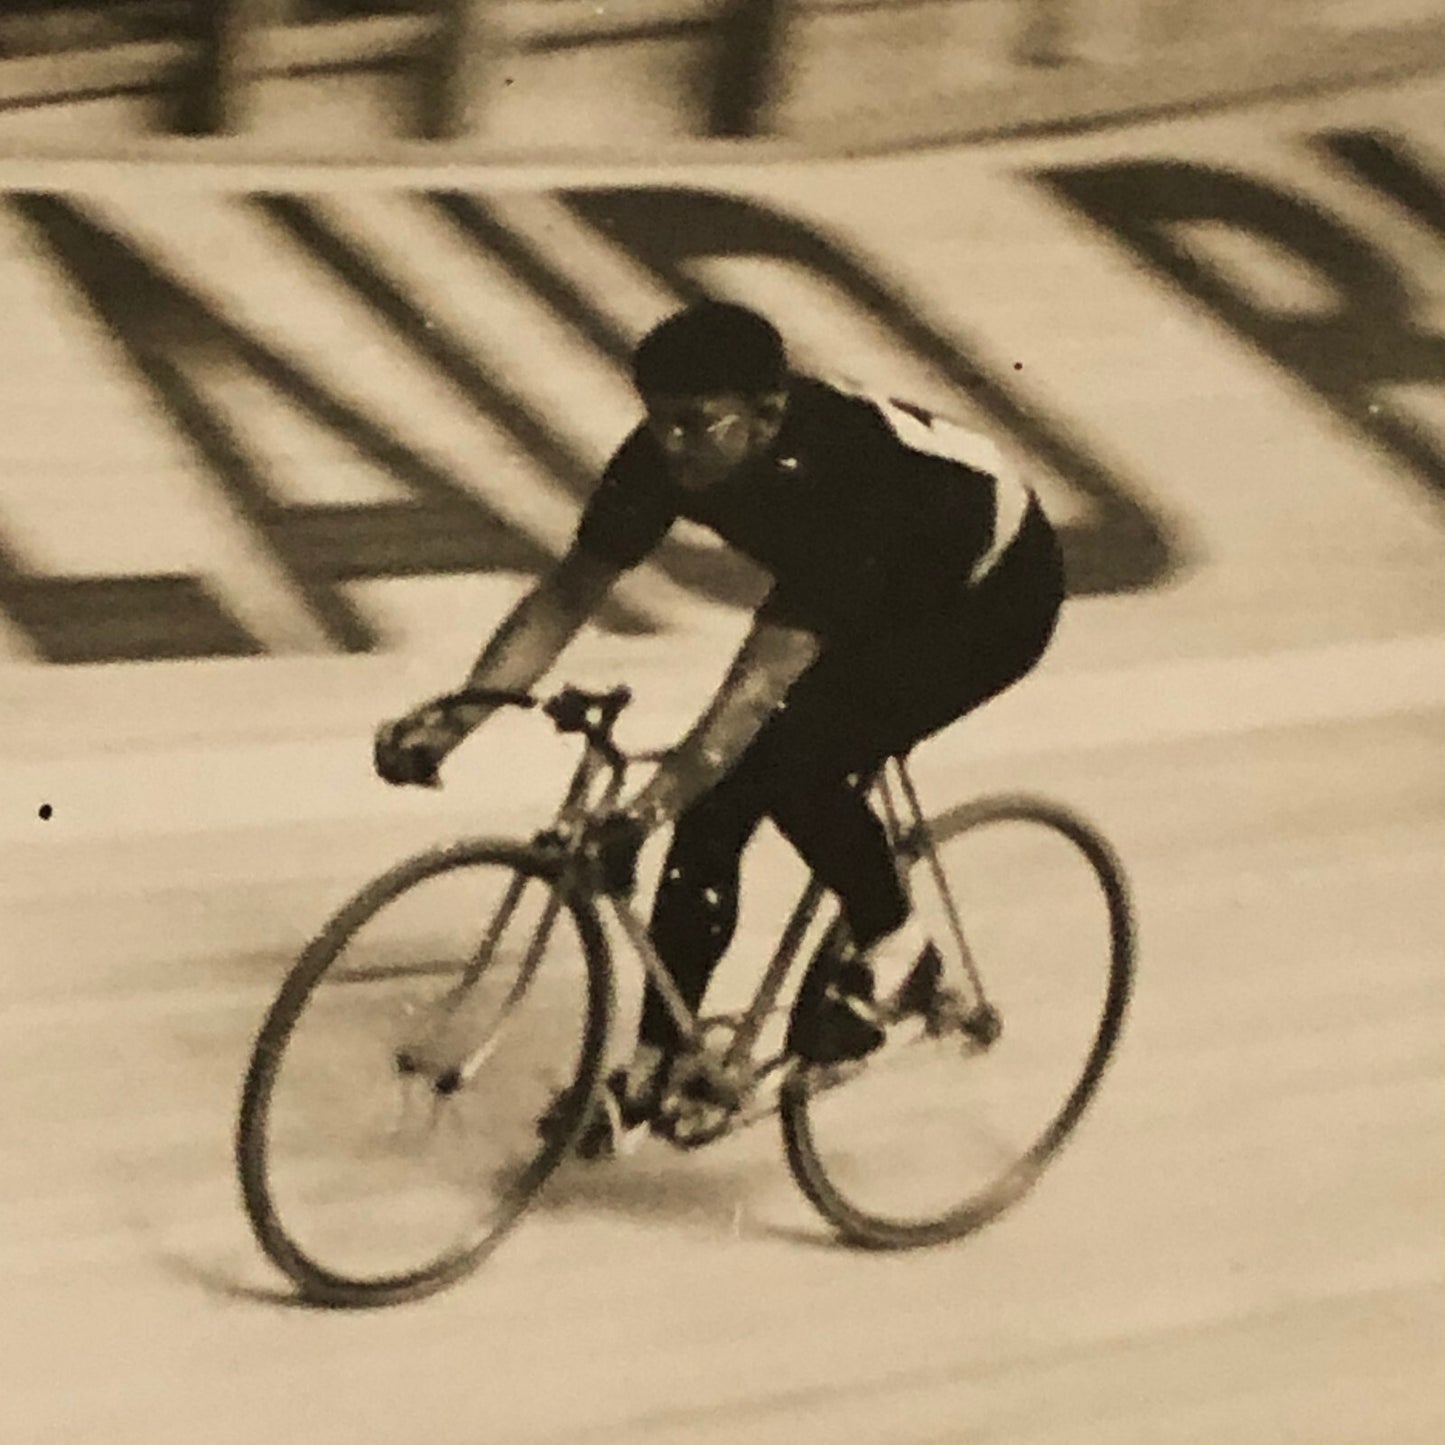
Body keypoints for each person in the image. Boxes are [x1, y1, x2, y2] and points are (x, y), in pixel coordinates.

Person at [374, 301, 1064, 1155]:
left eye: (693, 424)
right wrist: (455, 718)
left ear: (766, 416)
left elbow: (755, 686)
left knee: (787, 767)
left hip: (987, 600)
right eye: (654, 419)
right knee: (715, 803)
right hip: (886, 577)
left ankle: (900, 949)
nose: (668, 445)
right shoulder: (666, 452)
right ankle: (661, 1062)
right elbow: (565, 596)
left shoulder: (846, 482)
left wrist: (645, 810)